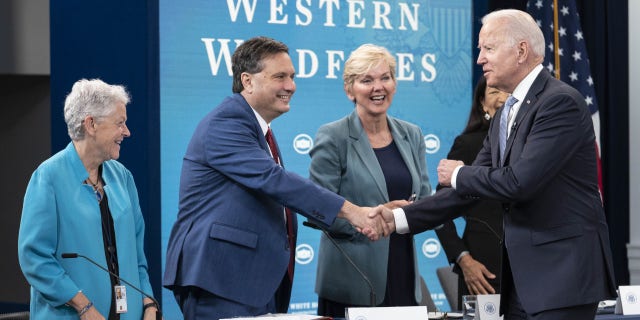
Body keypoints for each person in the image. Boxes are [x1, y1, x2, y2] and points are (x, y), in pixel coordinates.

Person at [377, 9, 617, 320]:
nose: (479, 59)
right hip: (521, 283)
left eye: (488, 48)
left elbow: (519, 182)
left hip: (562, 278)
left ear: (521, 51)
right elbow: (468, 192)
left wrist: (459, 172)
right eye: (479, 49)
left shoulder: (560, 103)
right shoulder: (506, 113)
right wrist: (396, 218)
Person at [162, 36, 388, 320]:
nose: (291, 86)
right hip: (222, 282)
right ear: (248, 81)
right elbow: (275, 181)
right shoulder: (227, 123)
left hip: (254, 284)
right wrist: (353, 212)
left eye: (292, 76)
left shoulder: (259, 127)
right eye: (280, 76)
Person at [18, 79, 160, 320]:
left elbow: (138, 257)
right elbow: (35, 258)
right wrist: (83, 307)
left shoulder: (122, 177)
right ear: (91, 124)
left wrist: (148, 304)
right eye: (120, 123)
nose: (127, 132)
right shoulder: (48, 177)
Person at [309, 44, 432, 317]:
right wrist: (369, 221)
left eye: (385, 77)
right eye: (367, 80)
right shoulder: (333, 136)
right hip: (352, 280)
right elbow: (317, 209)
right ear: (349, 89)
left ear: (395, 83)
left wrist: (401, 216)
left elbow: (423, 199)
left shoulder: (412, 135)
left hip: (403, 274)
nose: (379, 87)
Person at [434, 76, 508, 309]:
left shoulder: (534, 142)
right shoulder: (468, 144)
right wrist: (463, 259)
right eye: (495, 92)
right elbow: (439, 210)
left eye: (509, 91)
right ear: (482, 104)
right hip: (482, 271)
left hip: (531, 267)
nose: (503, 98)